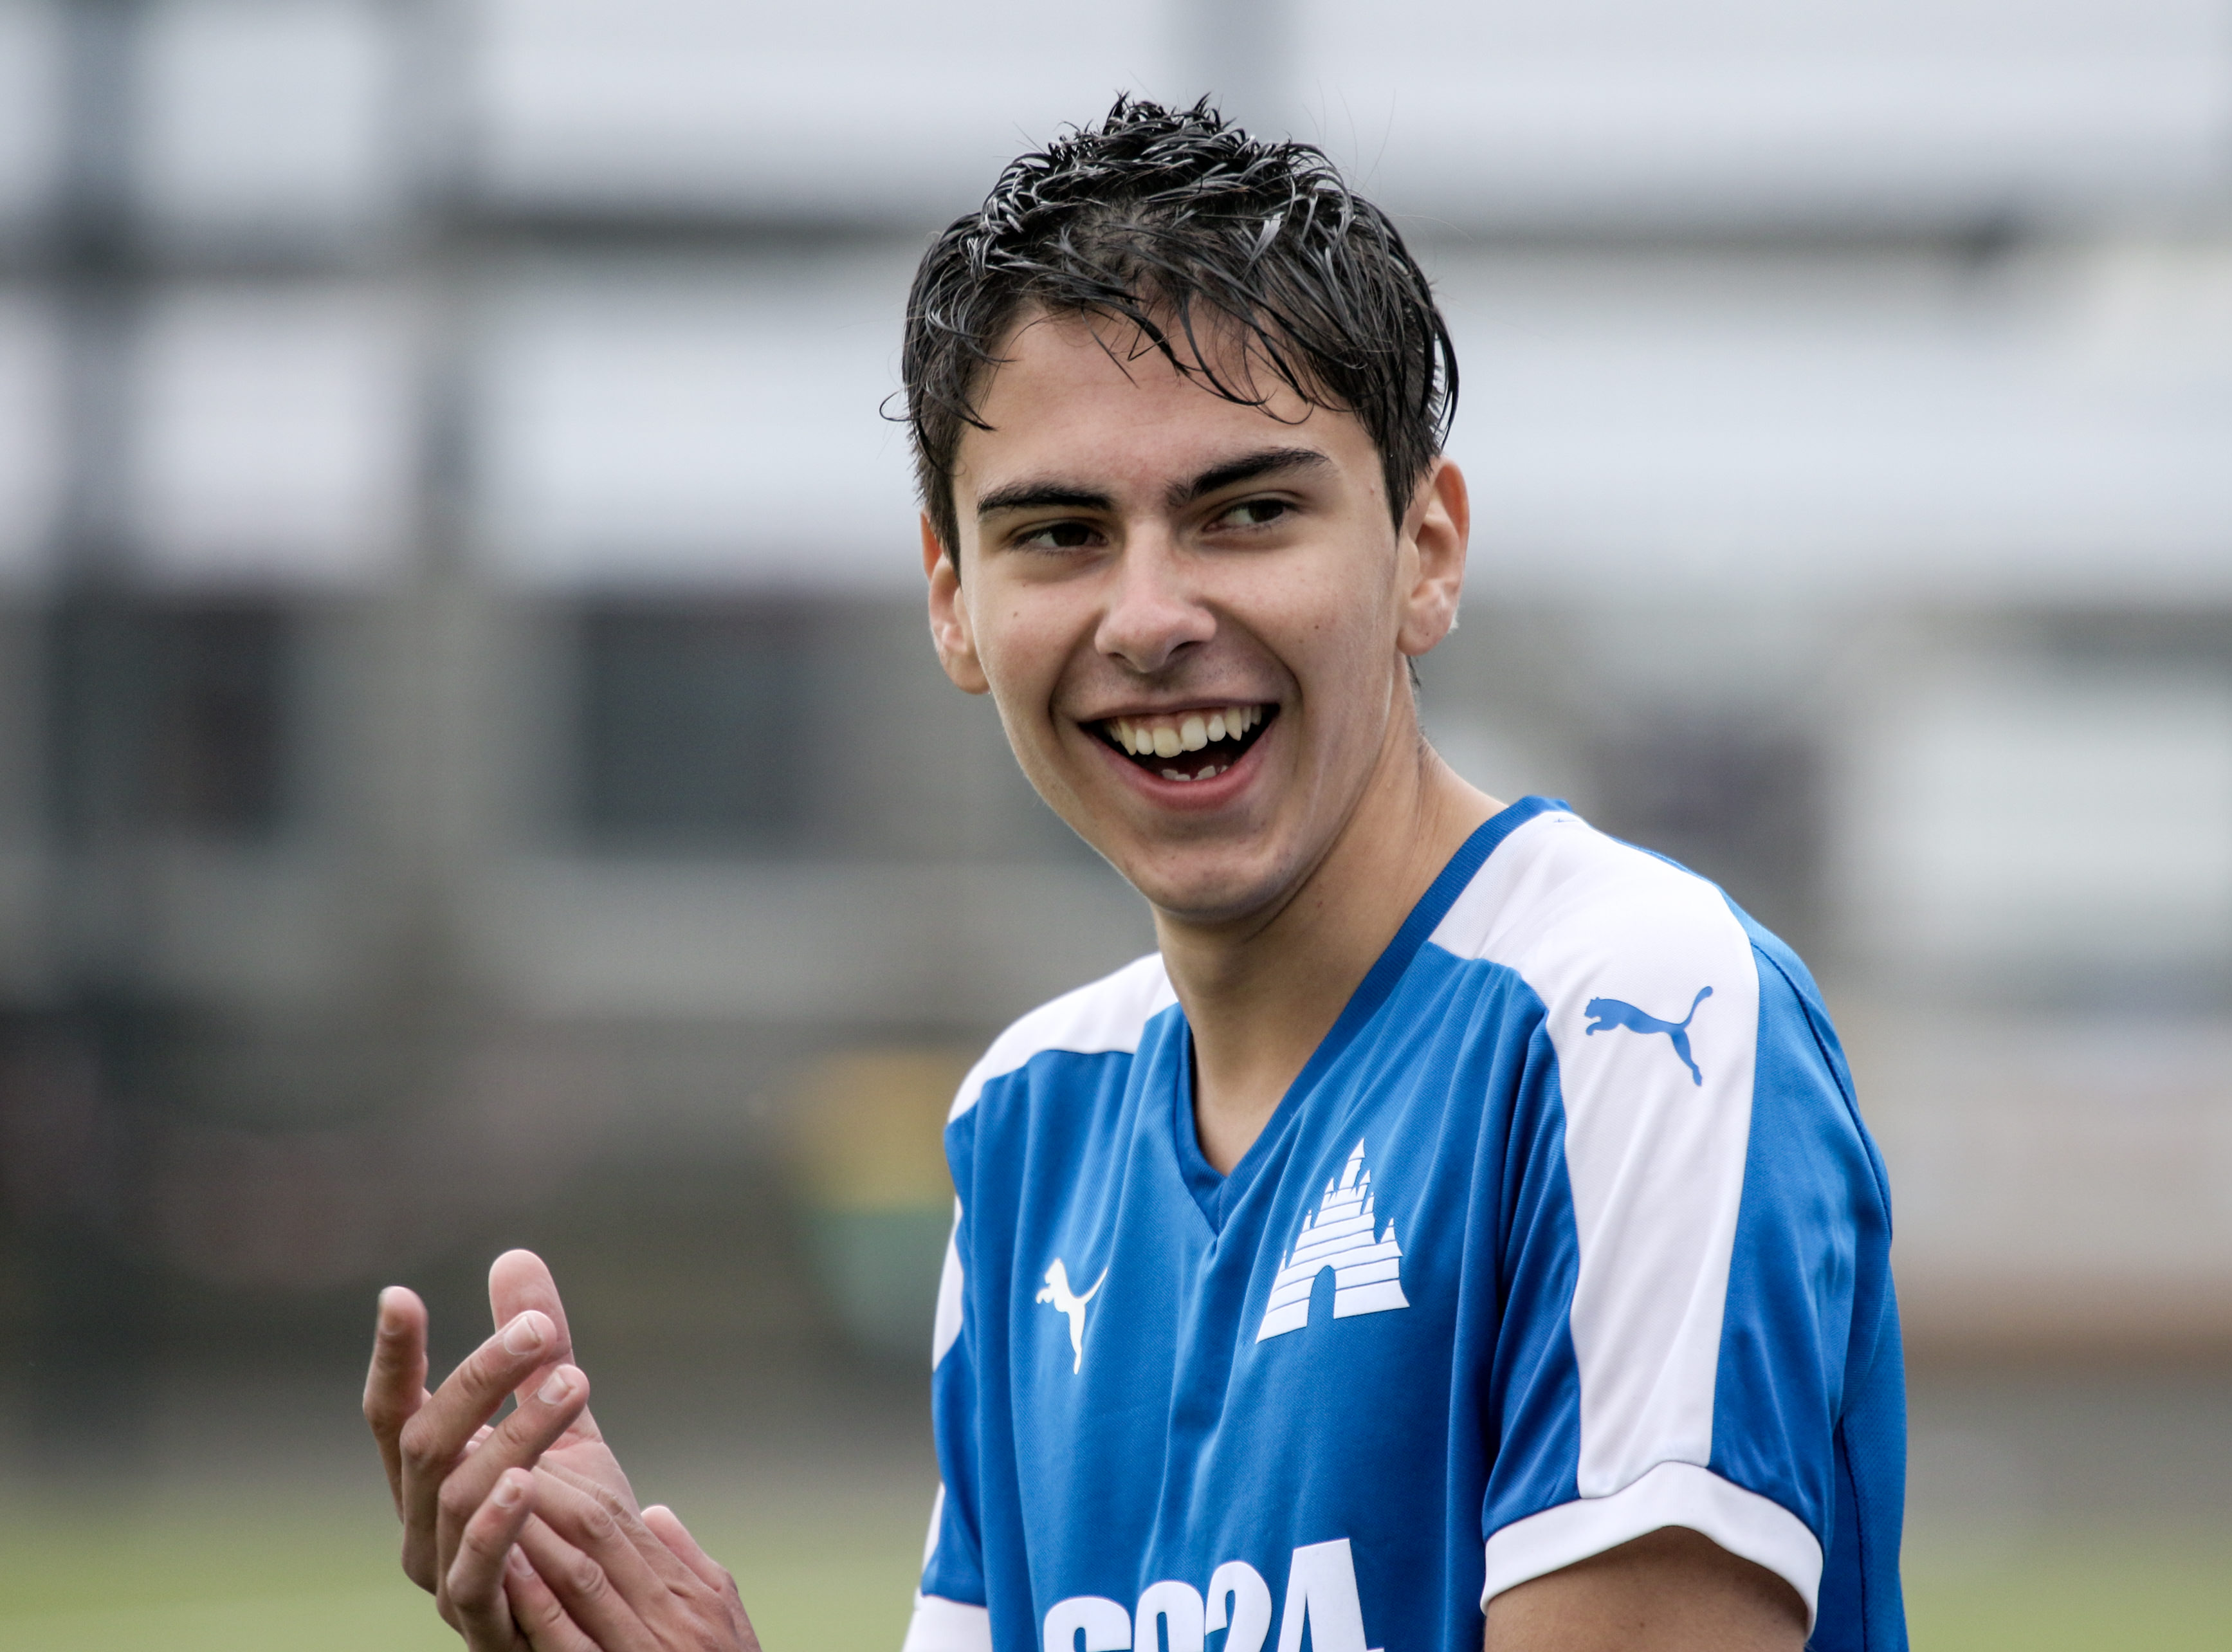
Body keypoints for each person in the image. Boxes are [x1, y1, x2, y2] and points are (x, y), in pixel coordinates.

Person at [363, 97, 1907, 1652]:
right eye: (1060, 534)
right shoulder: (1033, 1116)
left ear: (1426, 551)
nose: (1152, 618)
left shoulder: (1627, 1016)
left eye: (1249, 512)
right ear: (954, 602)